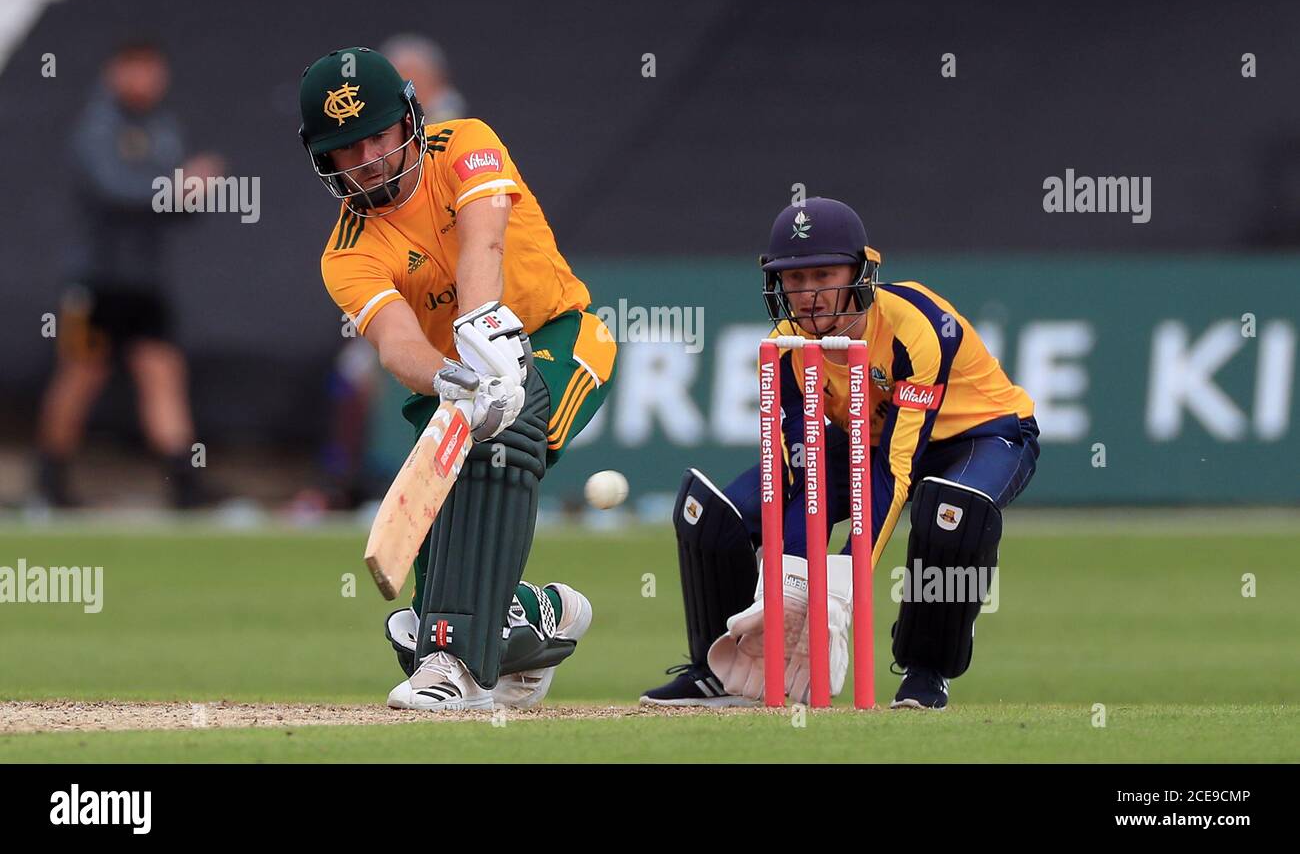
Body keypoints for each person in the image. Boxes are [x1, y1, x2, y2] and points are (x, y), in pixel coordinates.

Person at [300, 46, 616, 710]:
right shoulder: (346, 252)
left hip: (556, 337)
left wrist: (487, 342)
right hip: (448, 385)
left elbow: (484, 244)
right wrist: (461, 378)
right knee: (438, 566)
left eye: (376, 138)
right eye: (345, 151)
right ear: (323, 159)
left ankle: (455, 662)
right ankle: (529, 618)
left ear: (409, 120)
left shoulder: (466, 144)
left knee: (503, 439)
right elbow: (399, 345)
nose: (366, 161)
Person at [641, 197, 1039, 710]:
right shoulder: (784, 345)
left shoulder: (917, 327)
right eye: (794, 279)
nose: (807, 295)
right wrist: (788, 584)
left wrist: (839, 584)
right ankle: (730, 669)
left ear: (861, 272)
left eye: (823, 275)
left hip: (982, 436)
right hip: (871, 440)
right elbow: (794, 475)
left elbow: (898, 472)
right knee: (716, 516)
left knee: (951, 512)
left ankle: (926, 670)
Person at [35, 40, 223, 509]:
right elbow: (115, 190)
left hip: (145, 284)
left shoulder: (163, 128)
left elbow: (172, 210)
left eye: (154, 72)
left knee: (162, 372)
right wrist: (178, 185)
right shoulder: (97, 127)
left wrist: (194, 193)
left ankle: (184, 483)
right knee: (81, 374)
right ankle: (49, 482)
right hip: (95, 282)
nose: (146, 82)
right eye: (136, 71)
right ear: (115, 72)